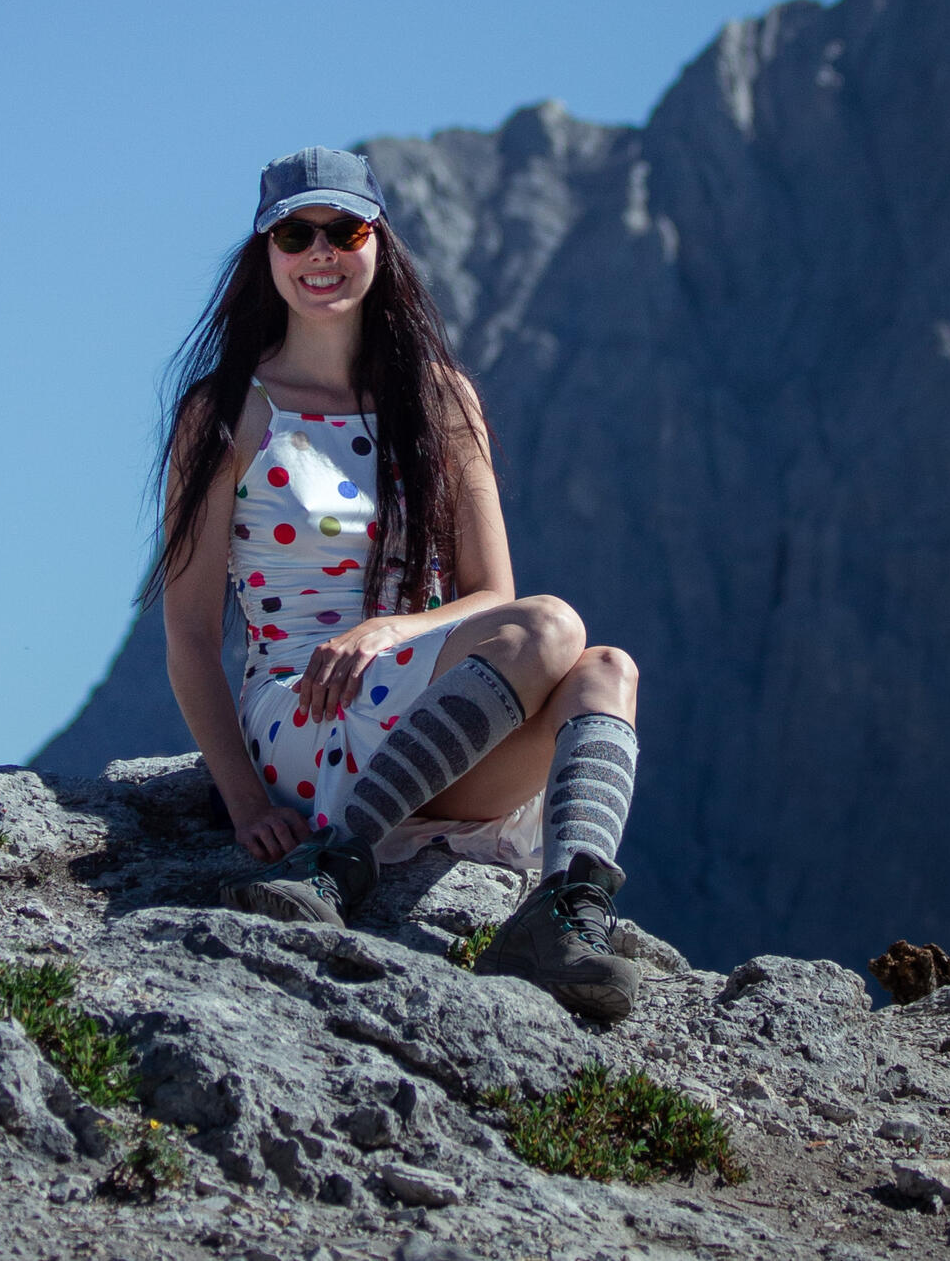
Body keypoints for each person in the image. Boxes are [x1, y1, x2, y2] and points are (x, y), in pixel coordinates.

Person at [146, 146, 644, 1022]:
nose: (320, 252)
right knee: (550, 626)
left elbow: (493, 591)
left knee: (605, 670)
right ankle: (336, 860)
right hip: (306, 713)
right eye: (294, 233)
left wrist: (389, 630)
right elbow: (188, 632)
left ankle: (565, 917)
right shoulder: (228, 407)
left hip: (427, 710)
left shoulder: (440, 399)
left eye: (345, 229)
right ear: (265, 253)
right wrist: (244, 802)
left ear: (379, 242)